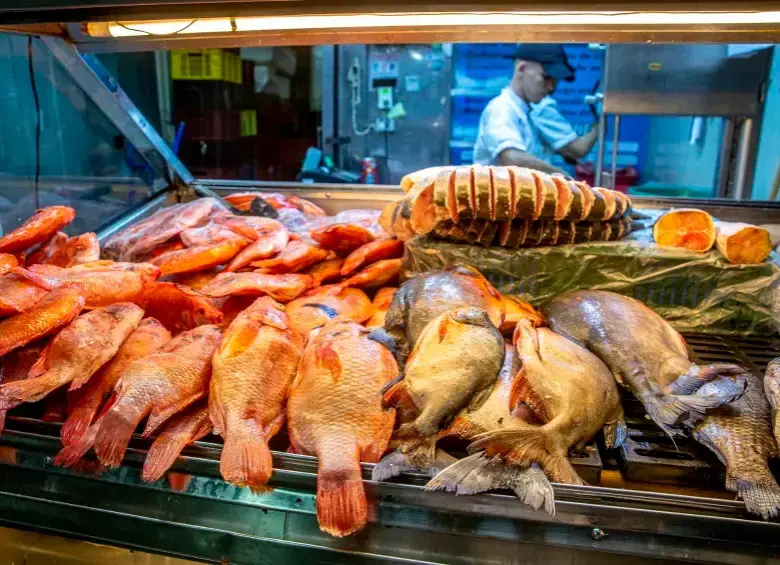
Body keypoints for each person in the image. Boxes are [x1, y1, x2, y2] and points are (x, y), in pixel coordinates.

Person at [472, 44, 598, 174]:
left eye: (555, 81)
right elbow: (512, 158)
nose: (551, 88)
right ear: (521, 69)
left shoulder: (527, 113)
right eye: (546, 78)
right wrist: (560, 176)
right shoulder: (501, 109)